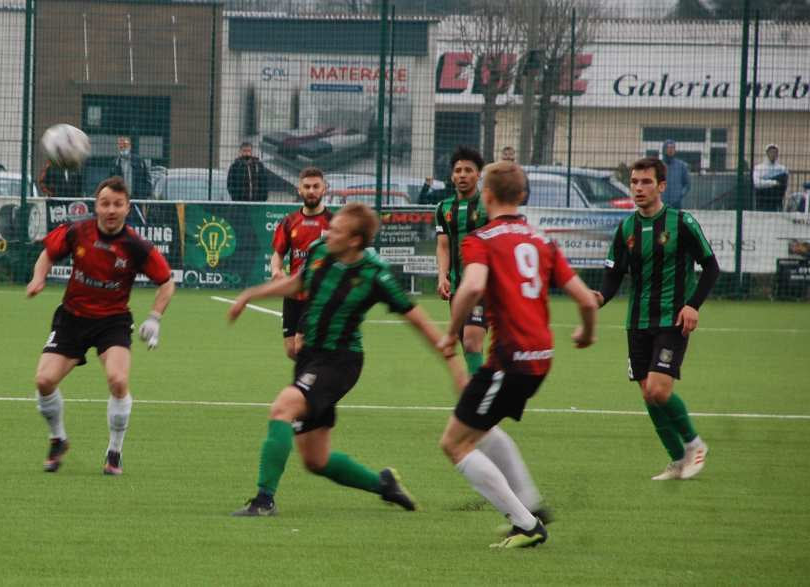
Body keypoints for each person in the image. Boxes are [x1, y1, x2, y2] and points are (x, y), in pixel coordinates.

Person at [228, 202, 467, 517]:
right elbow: (298, 283)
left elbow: (416, 319)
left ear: (355, 240)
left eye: (337, 230)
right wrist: (250, 294)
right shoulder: (319, 250)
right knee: (316, 460)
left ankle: (263, 501)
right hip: (311, 356)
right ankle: (383, 484)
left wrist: (450, 359)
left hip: (340, 362)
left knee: (283, 407)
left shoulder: (375, 274)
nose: (329, 233)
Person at [437, 161, 598, 549]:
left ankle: (526, 524)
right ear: (523, 196)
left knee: (454, 443)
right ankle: (530, 507)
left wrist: (449, 333)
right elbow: (587, 301)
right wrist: (586, 332)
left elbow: (473, 286)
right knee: (485, 427)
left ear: (486, 195)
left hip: (510, 361)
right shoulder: (542, 240)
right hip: (541, 359)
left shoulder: (482, 238)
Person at [26, 176, 175, 476]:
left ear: (127, 208)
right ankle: (58, 439)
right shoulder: (77, 231)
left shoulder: (136, 245)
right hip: (72, 317)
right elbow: (47, 254)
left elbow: (167, 282)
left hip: (112, 321)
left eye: (117, 204)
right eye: (105, 203)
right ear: (96, 206)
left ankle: (115, 451)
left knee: (118, 381)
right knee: (44, 382)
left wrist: (154, 318)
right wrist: (39, 277)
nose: (111, 210)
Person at [595, 157, 719, 481]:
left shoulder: (682, 222)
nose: (638, 187)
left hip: (672, 319)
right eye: (634, 182)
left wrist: (692, 305)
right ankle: (677, 460)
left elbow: (711, 267)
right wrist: (598, 298)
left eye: (646, 182)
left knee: (659, 390)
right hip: (637, 322)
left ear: (661, 186)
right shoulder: (626, 228)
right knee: (647, 395)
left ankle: (695, 445)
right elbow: (613, 275)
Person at [435, 146, 489, 376]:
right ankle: (484, 385)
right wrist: (442, 275)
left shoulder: (488, 206)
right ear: (451, 176)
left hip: (483, 286)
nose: (462, 175)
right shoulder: (444, 208)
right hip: (458, 286)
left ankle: (478, 397)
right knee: (468, 346)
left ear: (478, 175)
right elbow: (443, 245)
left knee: (470, 341)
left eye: (468, 170)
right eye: (458, 170)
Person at [270, 167, 333, 360]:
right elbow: (278, 254)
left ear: (324, 189)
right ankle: (319, 375)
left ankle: (308, 386)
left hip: (319, 295)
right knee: (291, 350)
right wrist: (276, 270)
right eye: (307, 187)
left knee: (301, 343)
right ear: (299, 190)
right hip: (294, 293)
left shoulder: (334, 223)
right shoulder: (289, 221)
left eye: (316, 186)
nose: (311, 191)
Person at [753, 143, 789, 212]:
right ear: (767, 153)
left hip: (776, 198)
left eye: (775, 152)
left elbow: (783, 185)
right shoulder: (759, 167)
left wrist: (766, 182)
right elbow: (757, 183)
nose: (773, 154)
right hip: (763, 197)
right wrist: (773, 182)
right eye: (771, 152)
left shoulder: (782, 168)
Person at [659, 139, 690, 209]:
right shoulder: (658, 165)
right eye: (669, 148)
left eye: (673, 148)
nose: (671, 150)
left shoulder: (681, 166)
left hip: (676, 204)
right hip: (661, 203)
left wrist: (680, 195)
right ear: (664, 149)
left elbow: (687, 184)